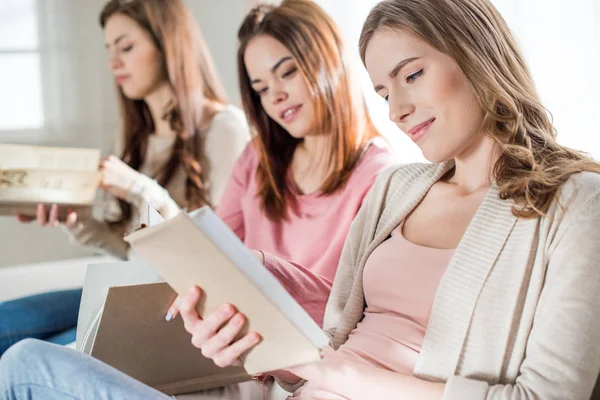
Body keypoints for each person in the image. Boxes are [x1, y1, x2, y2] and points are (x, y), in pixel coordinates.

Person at [173, 0, 600, 399]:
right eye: (383, 93)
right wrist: (262, 343)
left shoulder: (577, 204)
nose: (396, 111)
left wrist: (335, 373)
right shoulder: (396, 189)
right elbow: (333, 346)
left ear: (477, 54)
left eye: (412, 76)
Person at [0, 1, 397, 399]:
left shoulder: (381, 178)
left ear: (329, 61)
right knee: (27, 355)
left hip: (266, 368)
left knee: (24, 362)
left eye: (287, 72)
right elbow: (205, 258)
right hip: (208, 351)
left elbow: (353, 318)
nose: (274, 96)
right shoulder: (259, 159)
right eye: (259, 88)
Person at [0, 0, 250, 355]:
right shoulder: (137, 137)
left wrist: (140, 189)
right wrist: (79, 222)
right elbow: (132, 251)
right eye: (109, 50)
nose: (113, 62)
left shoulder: (225, 128)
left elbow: (216, 256)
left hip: (176, 301)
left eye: (127, 47)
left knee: (25, 355)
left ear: (167, 45)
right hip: (131, 283)